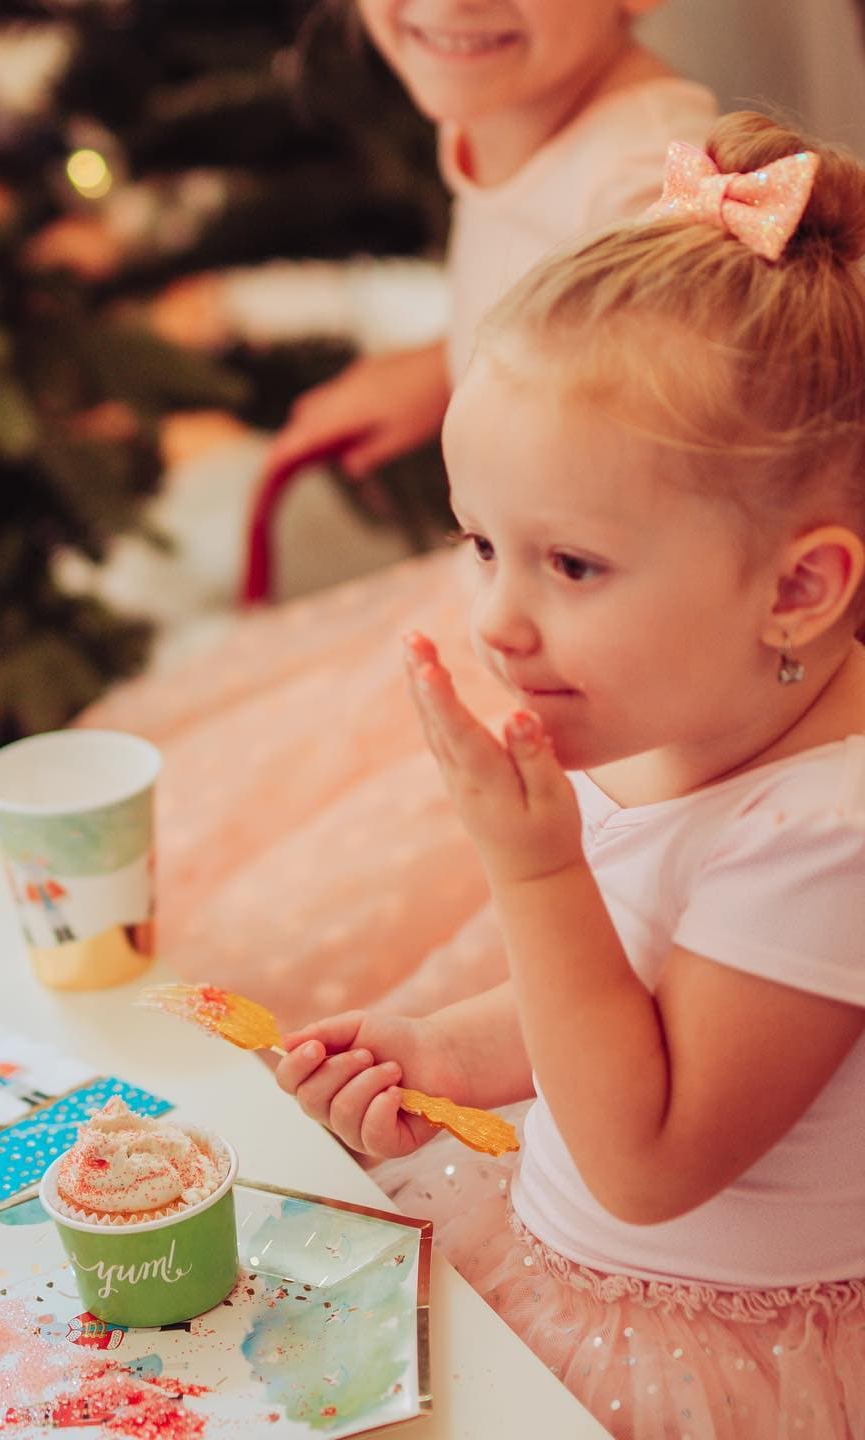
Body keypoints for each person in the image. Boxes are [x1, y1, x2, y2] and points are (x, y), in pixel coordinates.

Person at [276, 112, 865, 1439]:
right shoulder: (673, 706)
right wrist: (443, 1049)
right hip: (559, 1261)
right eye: (481, 543)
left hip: (710, 1361)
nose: (499, 619)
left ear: (799, 588)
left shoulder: (830, 837)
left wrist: (531, 863)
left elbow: (645, 1156)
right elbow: (622, 997)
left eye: (573, 565)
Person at [80, 0, 716, 1030]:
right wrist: (443, 365)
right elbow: (566, 329)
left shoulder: (649, 182)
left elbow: (697, 474)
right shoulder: (515, 97)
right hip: (495, 596)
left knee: (253, 968)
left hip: (571, 673)